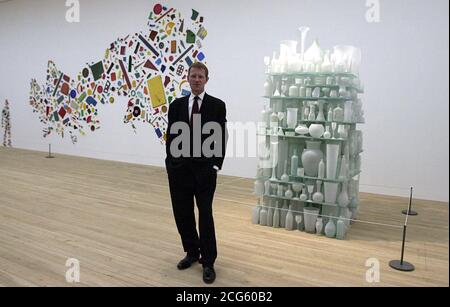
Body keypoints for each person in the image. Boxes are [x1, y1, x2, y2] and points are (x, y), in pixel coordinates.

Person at [165, 62, 227, 284]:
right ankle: (191, 252)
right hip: (179, 171)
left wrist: (215, 165)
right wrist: (170, 164)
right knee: (182, 213)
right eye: (193, 76)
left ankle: (208, 261)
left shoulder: (217, 105)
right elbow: (171, 137)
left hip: (204, 172)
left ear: (206, 80)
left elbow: (220, 137)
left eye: (201, 76)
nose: (197, 79)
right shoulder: (176, 105)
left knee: (205, 214)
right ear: (187, 78)